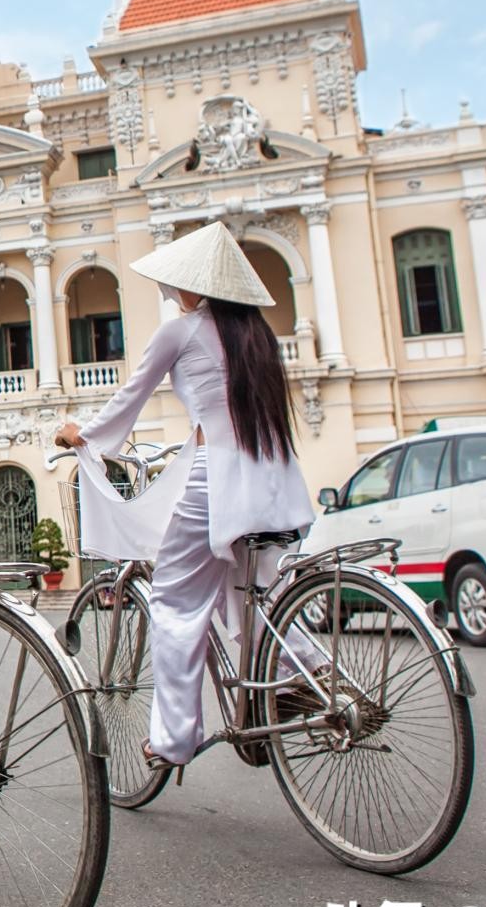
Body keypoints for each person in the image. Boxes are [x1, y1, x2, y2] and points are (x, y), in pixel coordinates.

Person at [52, 220, 317, 773]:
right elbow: (229, 414)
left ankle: (173, 739)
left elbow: (129, 399)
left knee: (174, 601)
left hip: (216, 483)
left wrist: (84, 435)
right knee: (252, 592)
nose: (170, 293)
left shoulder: (181, 331)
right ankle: (300, 681)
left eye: (176, 284)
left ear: (198, 286)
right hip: (276, 480)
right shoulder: (257, 335)